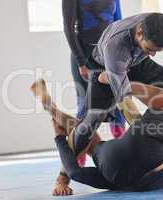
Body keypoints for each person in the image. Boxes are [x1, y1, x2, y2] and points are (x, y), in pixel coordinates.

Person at [31, 79, 163, 194]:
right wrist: (58, 137)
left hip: (147, 143)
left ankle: (123, 86)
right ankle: (120, 89)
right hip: (118, 167)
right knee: (92, 143)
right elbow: (75, 172)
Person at [73, 12, 163, 165]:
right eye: (150, 48)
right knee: (92, 120)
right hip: (104, 66)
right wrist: (155, 138)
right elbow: (125, 102)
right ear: (139, 33)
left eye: (157, 50)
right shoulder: (115, 46)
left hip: (138, 61)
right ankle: (64, 175)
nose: (153, 54)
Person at [62, 0, 125, 137]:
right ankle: (78, 155)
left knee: (118, 103)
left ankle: (122, 149)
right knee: (85, 106)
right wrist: (80, 61)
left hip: (109, 54)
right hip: (84, 55)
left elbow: (119, 23)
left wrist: (125, 54)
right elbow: (68, 28)